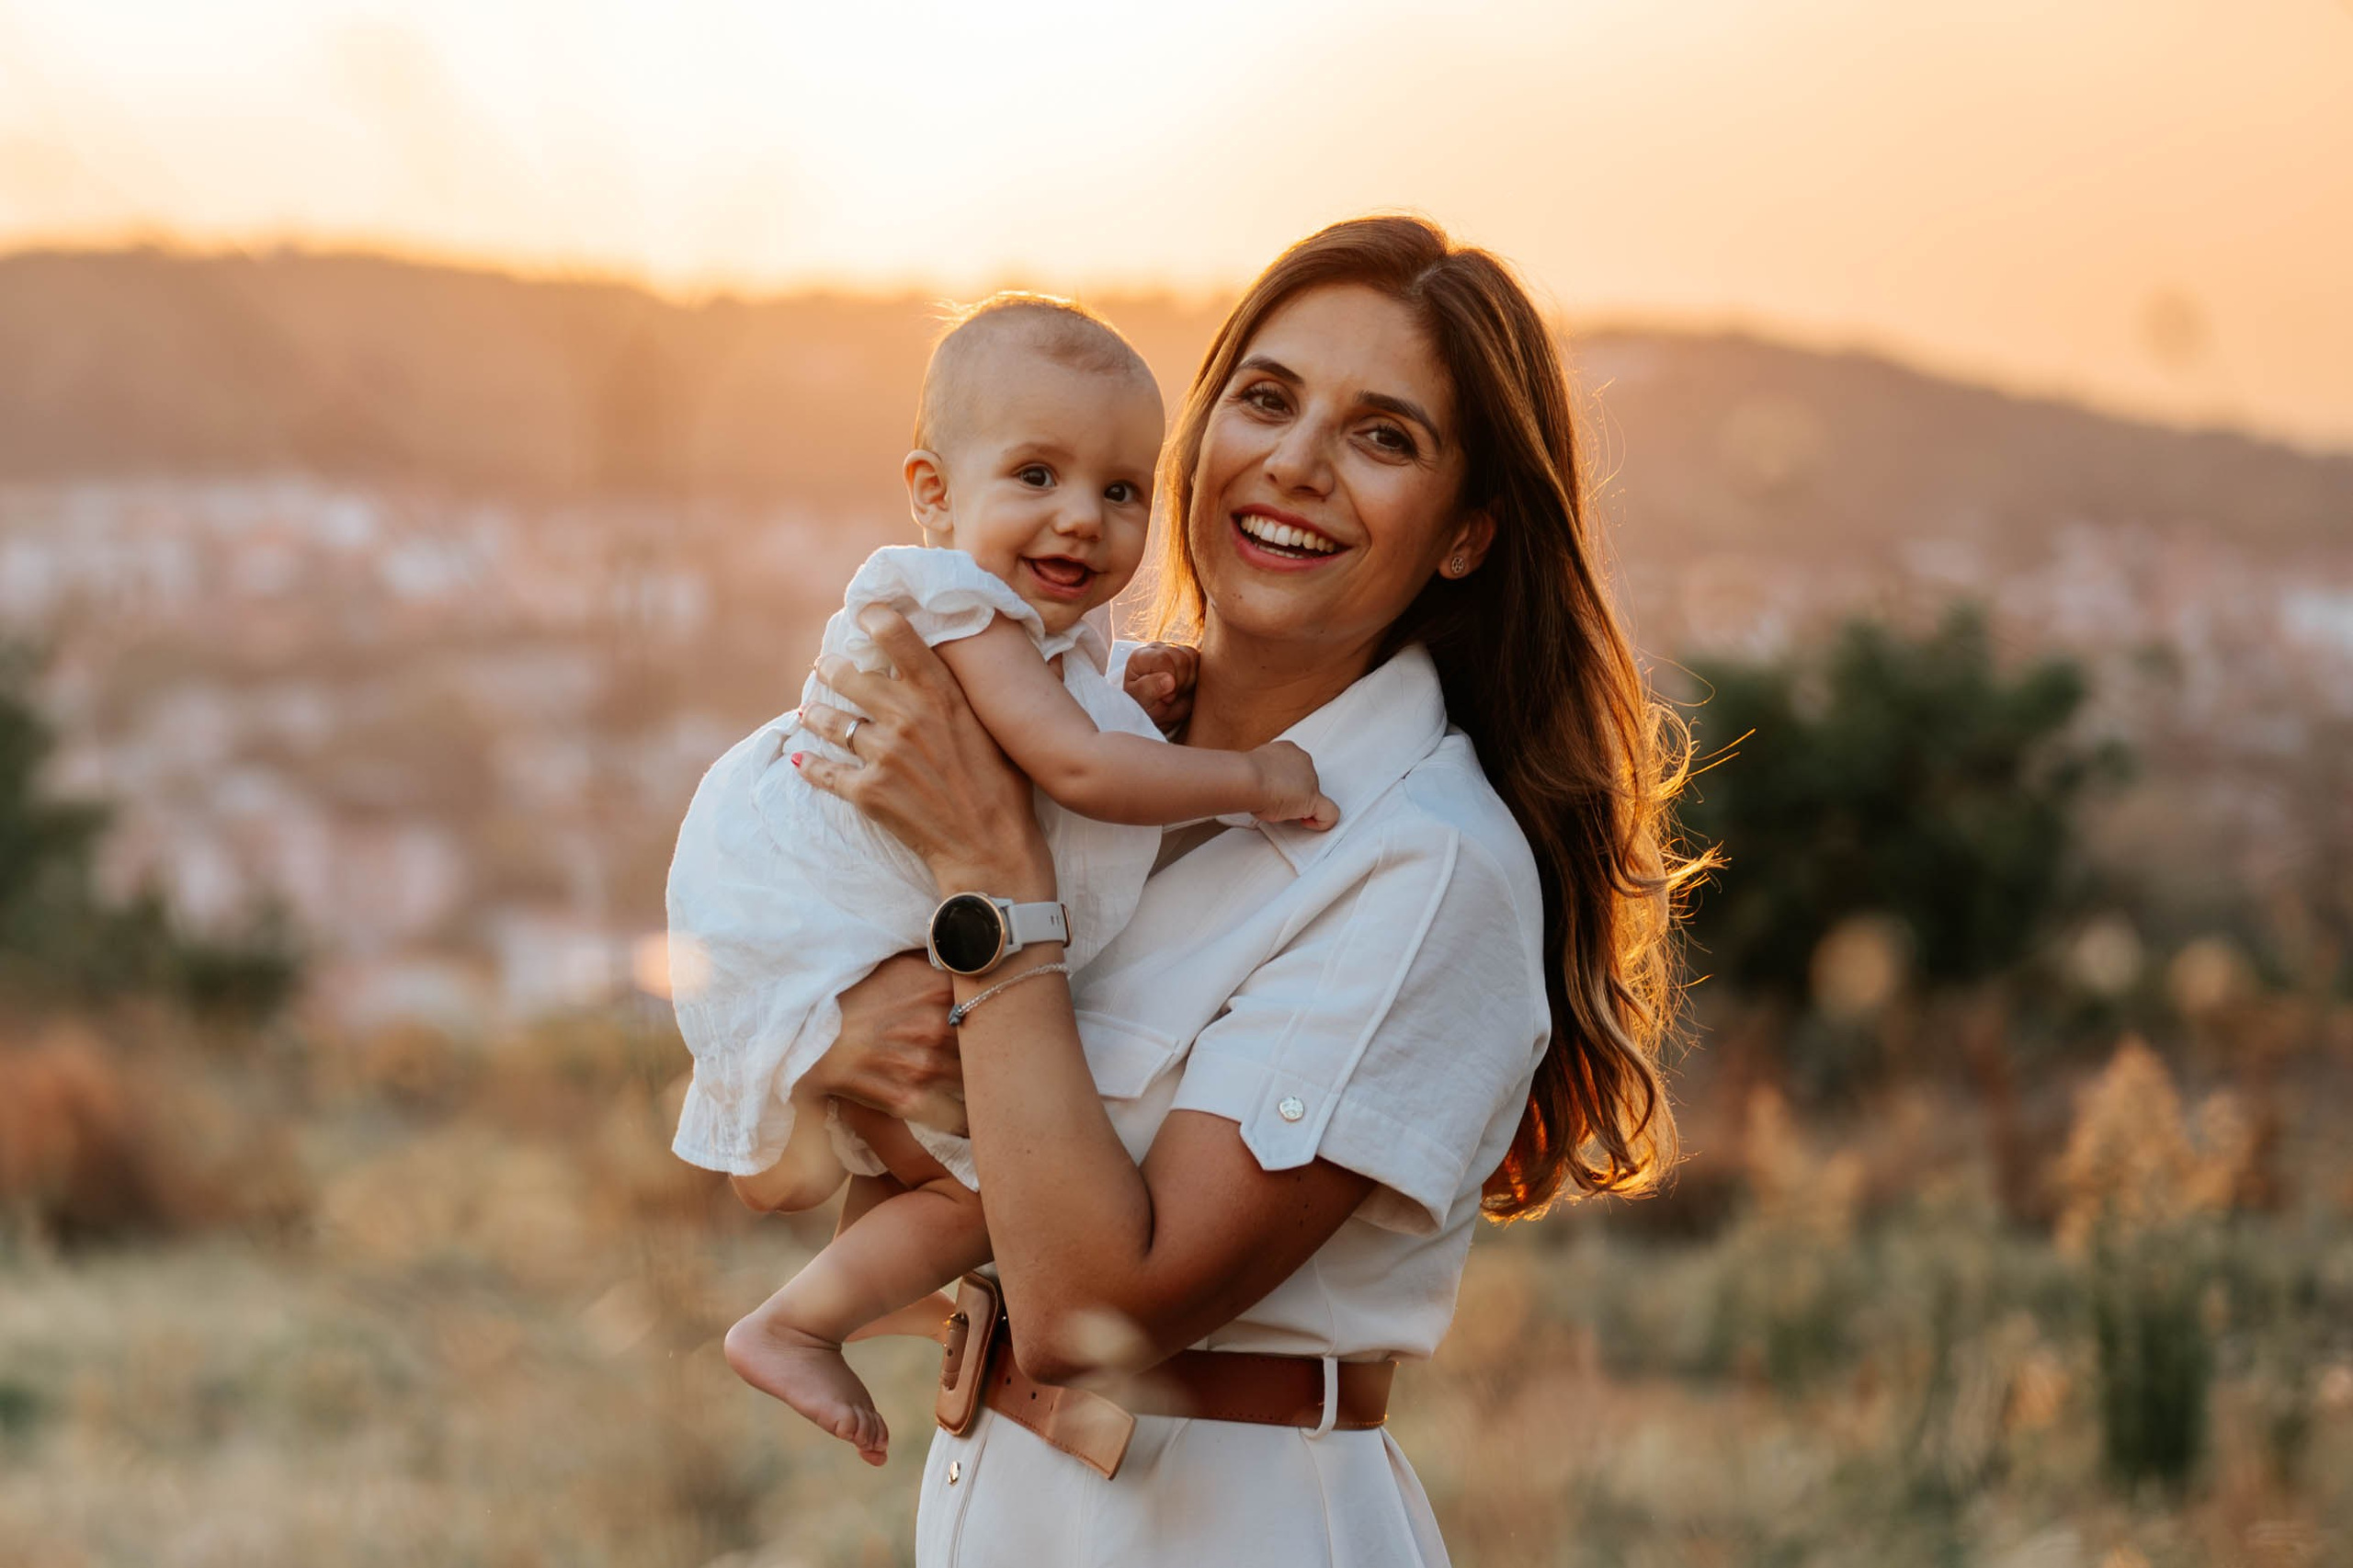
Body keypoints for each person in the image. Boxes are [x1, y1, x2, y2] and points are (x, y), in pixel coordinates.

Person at [781, 215, 1717, 1566]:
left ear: (1464, 535)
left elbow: (1092, 1310)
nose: (1297, 462)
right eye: (1266, 400)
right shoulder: (1088, 759)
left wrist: (991, 882)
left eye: (1383, 436)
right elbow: (911, 1175)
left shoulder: (1428, 866)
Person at [666, 295, 1338, 1466]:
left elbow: (1064, 717)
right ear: (932, 491)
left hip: (833, 915)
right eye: (1036, 474)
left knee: (943, 1164)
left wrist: (1133, 682)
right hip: (819, 911)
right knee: (1000, 1190)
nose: (1081, 517)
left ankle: (856, 1289)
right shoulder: (951, 601)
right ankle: (795, 1321)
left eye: (1122, 490)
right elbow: (1076, 765)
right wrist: (1252, 777)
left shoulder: (1023, 621)